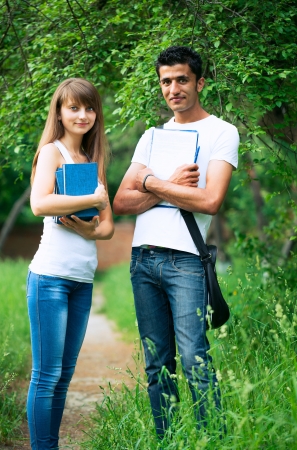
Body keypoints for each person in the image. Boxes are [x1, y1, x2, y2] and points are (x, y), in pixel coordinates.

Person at [113, 46, 239, 439]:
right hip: (143, 260)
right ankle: (166, 441)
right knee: (156, 365)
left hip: (186, 261)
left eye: (182, 79)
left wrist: (150, 182)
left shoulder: (222, 132)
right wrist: (165, 185)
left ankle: (211, 441)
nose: (173, 88)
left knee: (194, 358)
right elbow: (120, 201)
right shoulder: (151, 136)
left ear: (199, 82)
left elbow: (210, 200)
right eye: (166, 81)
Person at [27, 78, 114, 449]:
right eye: (74, 108)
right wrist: (91, 201)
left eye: (89, 107)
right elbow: (40, 204)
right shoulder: (52, 152)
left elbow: (108, 227)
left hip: (82, 280)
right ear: (59, 113)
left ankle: (52, 444)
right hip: (50, 278)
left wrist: (86, 229)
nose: (83, 115)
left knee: (63, 376)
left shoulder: (92, 163)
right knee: (46, 376)